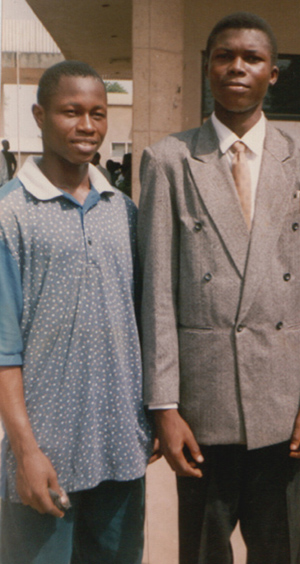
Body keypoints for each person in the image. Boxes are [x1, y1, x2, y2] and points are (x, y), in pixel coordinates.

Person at [138, 12, 300, 564]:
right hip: (203, 408)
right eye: (224, 56)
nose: (237, 67)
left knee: (278, 551)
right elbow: (156, 295)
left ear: (274, 73)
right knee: (203, 553)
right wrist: (165, 406)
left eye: (252, 58)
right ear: (207, 67)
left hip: (284, 404)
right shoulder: (169, 160)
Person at [0, 60, 152, 564]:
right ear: (39, 115)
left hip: (119, 445)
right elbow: (4, 350)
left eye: (98, 113)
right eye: (71, 112)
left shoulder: (122, 210)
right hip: (46, 452)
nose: (87, 126)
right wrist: (25, 452)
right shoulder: (11, 214)